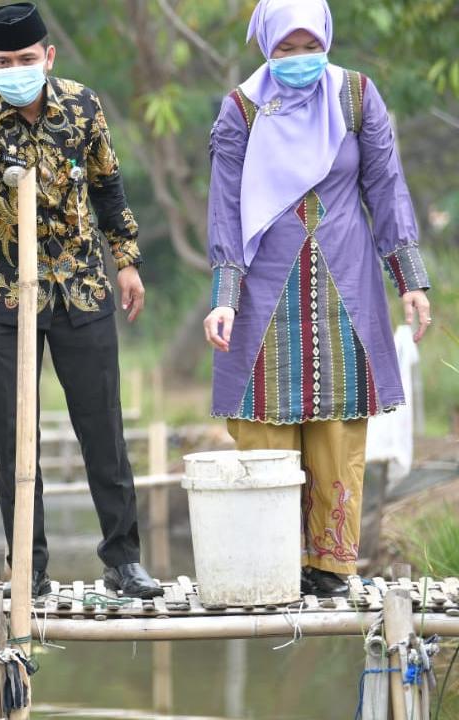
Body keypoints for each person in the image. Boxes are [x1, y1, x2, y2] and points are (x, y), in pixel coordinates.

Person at [0, 3, 162, 599]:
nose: (16, 70)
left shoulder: (82, 104)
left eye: (26, 60)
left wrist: (125, 260)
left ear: (48, 58)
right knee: (14, 437)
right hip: (5, 297)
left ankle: (123, 560)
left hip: (82, 288)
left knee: (102, 428)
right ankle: (29, 567)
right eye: (3, 62)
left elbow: (108, 183)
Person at [203, 0, 431, 597]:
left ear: (327, 41)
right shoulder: (241, 110)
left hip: (345, 286)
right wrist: (224, 295)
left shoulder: (355, 96)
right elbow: (226, 208)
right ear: (266, 49)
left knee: (338, 427)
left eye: (310, 47)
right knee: (264, 429)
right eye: (286, 49)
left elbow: (385, 185)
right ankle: (271, 562)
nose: (300, 60)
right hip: (261, 293)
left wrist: (410, 279)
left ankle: (330, 566)